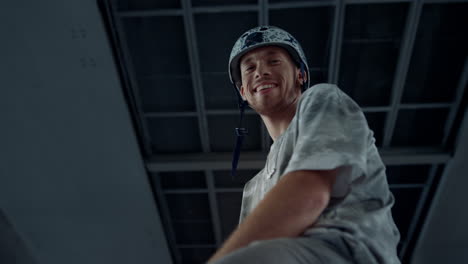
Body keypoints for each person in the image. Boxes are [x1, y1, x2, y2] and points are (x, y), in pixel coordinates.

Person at [207, 26, 401, 264]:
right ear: (243, 91)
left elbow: (310, 194)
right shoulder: (253, 188)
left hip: (346, 253)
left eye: (274, 61)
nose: (261, 72)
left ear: (301, 75)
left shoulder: (323, 100)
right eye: (250, 67)